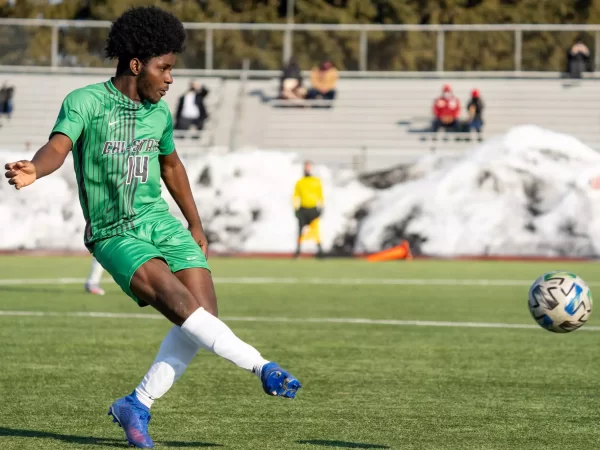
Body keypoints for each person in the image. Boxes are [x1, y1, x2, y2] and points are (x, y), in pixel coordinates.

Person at [4, 6, 300, 449]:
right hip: (113, 231)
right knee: (184, 308)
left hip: (160, 222)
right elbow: (58, 146)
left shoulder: (159, 114)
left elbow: (171, 165)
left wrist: (194, 223)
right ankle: (262, 366)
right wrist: (35, 169)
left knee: (202, 318)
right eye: (164, 68)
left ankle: (136, 403)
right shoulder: (86, 101)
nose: (170, 79)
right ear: (136, 64)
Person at [293, 160, 324, 258]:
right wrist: (296, 209)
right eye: (306, 167)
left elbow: (320, 195)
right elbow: (295, 196)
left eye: (309, 167)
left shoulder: (316, 181)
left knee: (316, 231)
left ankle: (320, 251)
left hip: (313, 209)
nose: (307, 169)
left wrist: (322, 207)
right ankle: (298, 251)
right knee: (300, 231)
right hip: (303, 209)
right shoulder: (300, 182)